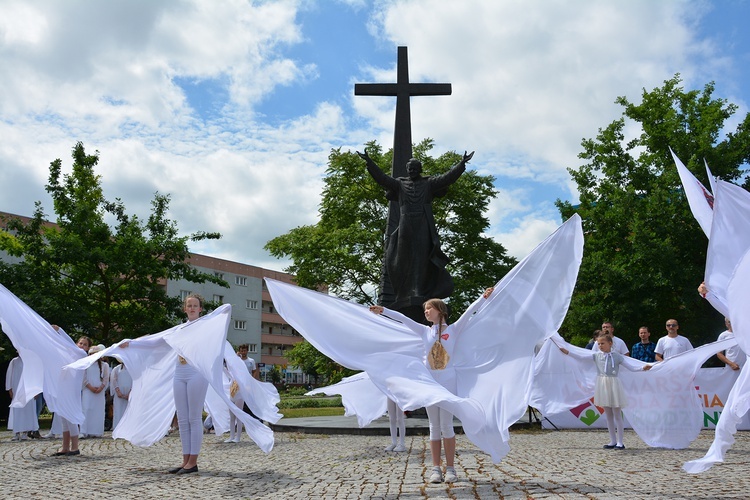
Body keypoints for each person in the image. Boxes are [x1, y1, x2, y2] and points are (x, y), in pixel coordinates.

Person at [370, 286, 494, 484]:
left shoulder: (454, 329)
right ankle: (436, 468)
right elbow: (403, 319)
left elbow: (470, 310)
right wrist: (383, 311)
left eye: (429, 308)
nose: (426, 312)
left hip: (448, 381)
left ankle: (451, 468)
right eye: (425, 309)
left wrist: (483, 297)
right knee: (433, 426)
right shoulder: (424, 331)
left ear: (440, 311)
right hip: (429, 383)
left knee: (447, 425)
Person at [358, 149, 474, 308]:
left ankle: (418, 290)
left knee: (421, 258)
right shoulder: (399, 184)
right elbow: (383, 179)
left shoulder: (428, 183)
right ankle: (405, 291)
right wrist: (369, 163)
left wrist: (461, 164)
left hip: (423, 224)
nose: (411, 171)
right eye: (409, 169)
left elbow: (447, 178)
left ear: (420, 169)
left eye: (414, 169)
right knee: (403, 258)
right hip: (405, 224)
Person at [120, 294, 207, 474]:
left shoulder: (206, 326)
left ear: (200, 309)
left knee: (193, 417)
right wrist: (132, 343)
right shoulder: (179, 330)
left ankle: (193, 461)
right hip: (180, 372)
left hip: (196, 373)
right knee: (182, 419)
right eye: (189, 305)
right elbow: (156, 340)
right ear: (184, 309)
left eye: (195, 305)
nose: (191, 308)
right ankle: (185, 461)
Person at [559, 334, 651, 449]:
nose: (600, 346)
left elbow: (631, 367)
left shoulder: (617, 356)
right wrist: (568, 352)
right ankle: (612, 440)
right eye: (599, 344)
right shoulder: (596, 355)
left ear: (610, 343)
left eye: (603, 343)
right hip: (602, 384)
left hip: (613, 384)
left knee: (617, 414)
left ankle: (620, 442)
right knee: (608, 415)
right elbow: (581, 357)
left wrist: (642, 368)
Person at [53, 334, 91, 456]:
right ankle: (65, 447)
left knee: (71, 417)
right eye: (80, 343)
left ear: (87, 349)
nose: (82, 346)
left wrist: (60, 331)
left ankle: (75, 447)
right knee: (64, 418)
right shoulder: (69, 355)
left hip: (73, 391)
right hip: (64, 388)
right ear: (76, 343)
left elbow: (67, 342)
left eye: (85, 344)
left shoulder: (82, 355)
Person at [6, 354, 39, 441]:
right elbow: (9, 375)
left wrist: (36, 390)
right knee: (17, 411)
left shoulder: (31, 361)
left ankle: (25, 432)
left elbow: (35, 376)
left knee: (27, 411)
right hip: (16, 390)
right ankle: (17, 433)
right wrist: (9, 389)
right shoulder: (14, 362)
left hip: (28, 390)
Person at [80, 344, 109, 438]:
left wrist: (101, 388)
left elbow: (105, 378)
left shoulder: (105, 365)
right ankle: (84, 431)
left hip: (99, 392)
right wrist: (90, 387)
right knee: (86, 409)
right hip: (88, 391)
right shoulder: (85, 364)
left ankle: (96, 431)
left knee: (98, 410)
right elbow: (83, 378)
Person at [110, 361, 132, 429]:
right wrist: (118, 391)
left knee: (128, 410)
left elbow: (135, 380)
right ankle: (118, 428)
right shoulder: (117, 369)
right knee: (118, 410)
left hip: (129, 393)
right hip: (119, 393)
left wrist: (130, 392)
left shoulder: (132, 368)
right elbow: (114, 380)